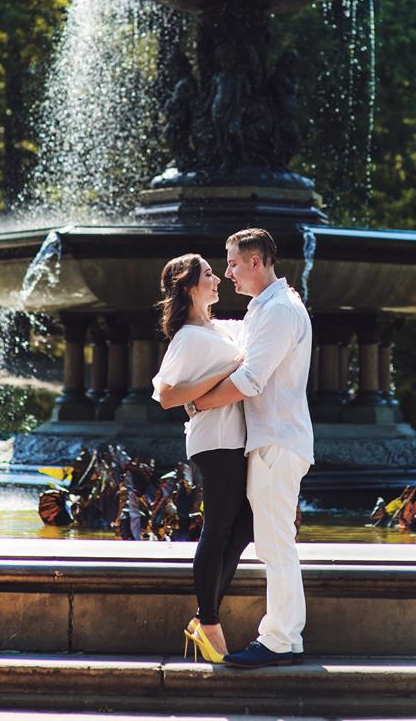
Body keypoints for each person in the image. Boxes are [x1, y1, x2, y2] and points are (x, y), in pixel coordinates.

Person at [188, 227, 314, 668]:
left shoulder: (280, 310)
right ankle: (286, 639)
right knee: (274, 542)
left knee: (276, 544)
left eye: (234, 264)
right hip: (273, 440)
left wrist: (196, 402)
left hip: (277, 441)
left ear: (256, 262)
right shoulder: (268, 308)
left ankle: (279, 640)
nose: (228, 273)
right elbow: (236, 338)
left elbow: (249, 380)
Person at [151, 253, 253, 664]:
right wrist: (226, 371)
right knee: (219, 528)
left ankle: (203, 617)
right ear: (190, 286)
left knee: (243, 526)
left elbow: (259, 328)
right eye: (209, 274)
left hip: (234, 438)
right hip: (215, 441)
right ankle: (208, 622)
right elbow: (167, 395)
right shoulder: (188, 336)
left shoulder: (214, 328)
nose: (217, 279)